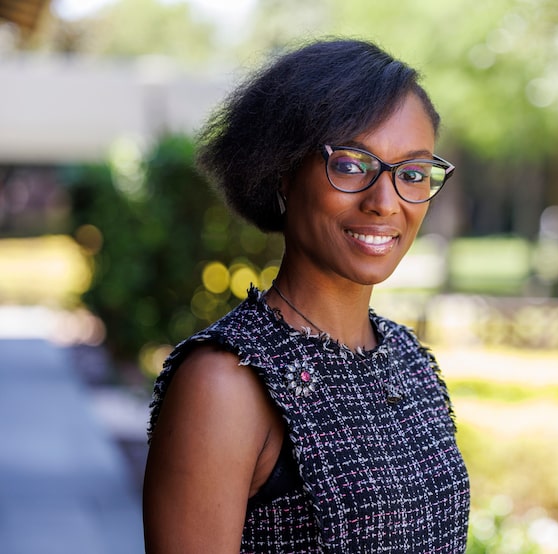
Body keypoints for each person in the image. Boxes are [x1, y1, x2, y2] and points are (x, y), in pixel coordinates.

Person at [142, 38, 471, 553]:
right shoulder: (226, 382)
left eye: (411, 173)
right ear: (282, 172)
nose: (385, 203)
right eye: (350, 164)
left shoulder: (411, 362)